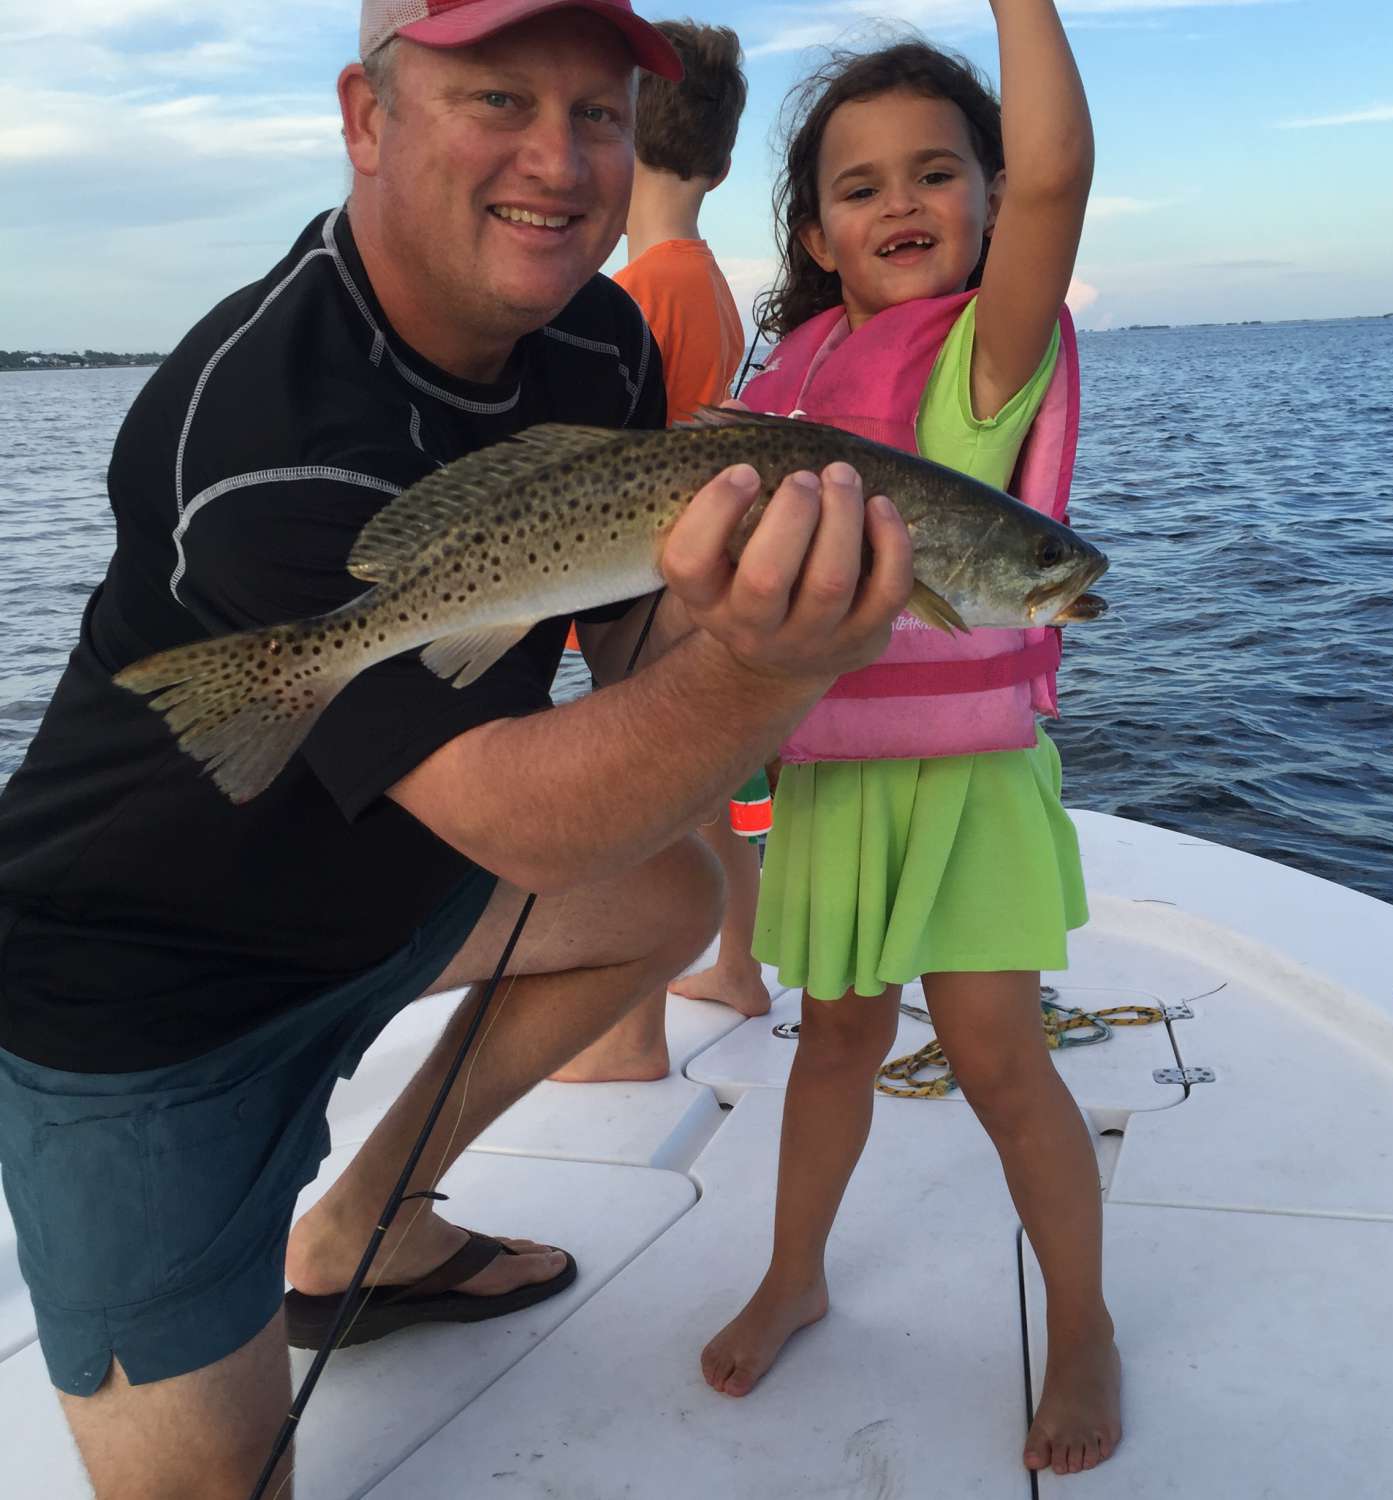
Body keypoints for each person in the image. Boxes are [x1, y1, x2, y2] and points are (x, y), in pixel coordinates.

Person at [0, 3, 914, 1495]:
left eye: (601, 114)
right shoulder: (262, 425)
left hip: (381, 891)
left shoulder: (603, 342)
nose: (559, 160)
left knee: (668, 903)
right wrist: (772, 664)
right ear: (368, 118)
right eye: (499, 98)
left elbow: (622, 650)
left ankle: (372, 1223)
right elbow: (534, 825)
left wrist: (726, 602)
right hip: (139, 994)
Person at [696, 2, 1122, 1479]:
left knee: (1004, 1061)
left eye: (941, 173)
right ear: (813, 233)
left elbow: (1063, 176)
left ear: (996, 199)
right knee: (832, 1041)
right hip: (833, 772)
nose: (903, 206)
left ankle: (1080, 1319)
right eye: (861, 186)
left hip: (971, 778)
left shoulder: (977, 361)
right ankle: (795, 1270)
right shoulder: (787, 376)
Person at [556, 21, 764, 1086]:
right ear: (723, 163)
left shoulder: (636, 299)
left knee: (648, 795)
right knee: (700, 789)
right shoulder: (708, 283)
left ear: (622, 133)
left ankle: (631, 1038)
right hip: (683, 587)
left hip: (640, 591)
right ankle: (737, 963)